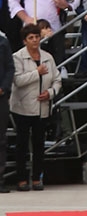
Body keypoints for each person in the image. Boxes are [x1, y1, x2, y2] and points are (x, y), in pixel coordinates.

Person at [11, 22, 61, 191]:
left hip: (42, 107)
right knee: (22, 144)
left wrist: (50, 93)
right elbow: (18, 80)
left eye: (37, 37)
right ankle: (21, 179)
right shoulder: (17, 57)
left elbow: (57, 79)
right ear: (24, 41)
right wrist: (36, 73)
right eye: (31, 37)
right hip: (22, 107)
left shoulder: (48, 57)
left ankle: (37, 178)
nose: (34, 40)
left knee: (39, 144)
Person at [0, 29, 12, 193]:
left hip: (0, 97)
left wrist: (3, 88)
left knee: (0, 140)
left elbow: (10, 68)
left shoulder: (3, 41)